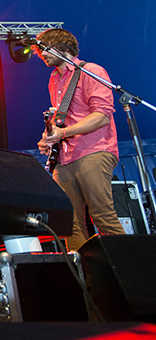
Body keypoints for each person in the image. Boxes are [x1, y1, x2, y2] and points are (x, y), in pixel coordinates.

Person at [36, 28, 124, 251]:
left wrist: (63, 133)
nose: (41, 54)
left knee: (102, 215)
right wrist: (48, 138)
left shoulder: (91, 71)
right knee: (69, 224)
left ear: (63, 47)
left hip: (93, 150)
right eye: (39, 50)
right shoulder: (53, 79)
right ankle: (87, 279)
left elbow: (102, 115)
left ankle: (129, 274)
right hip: (64, 158)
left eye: (45, 48)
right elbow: (61, 119)